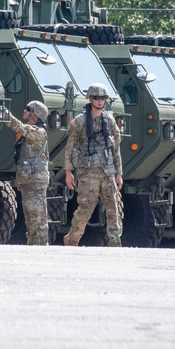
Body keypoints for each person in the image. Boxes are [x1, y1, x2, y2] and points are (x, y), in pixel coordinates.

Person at [63, 83, 123, 246]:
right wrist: (68, 172)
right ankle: (72, 241)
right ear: (90, 99)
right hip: (88, 174)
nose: (99, 101)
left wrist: (119, 174)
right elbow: (70, 147)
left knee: (114, 209)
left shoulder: (109, 121)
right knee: (85, 210)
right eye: (96, 98)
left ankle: (115, 243)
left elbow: (116, 149)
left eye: (102, 98)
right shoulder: (80, 122)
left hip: (107, 173)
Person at [7, 100, 50, 246]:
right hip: (29, 181)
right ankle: (33, 246)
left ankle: (40, 247)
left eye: (28, 109)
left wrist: (4, 114)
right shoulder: (32, 132)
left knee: (37, 219)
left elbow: (19, 127)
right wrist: (21, 181)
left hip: (35, 181)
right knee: (31, 218)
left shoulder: (38, 132)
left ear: (36, 116)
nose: (24, 111)